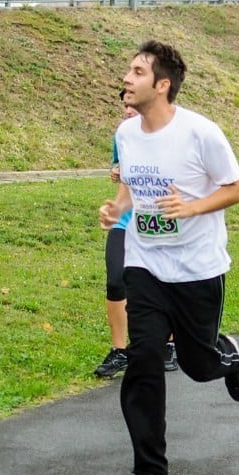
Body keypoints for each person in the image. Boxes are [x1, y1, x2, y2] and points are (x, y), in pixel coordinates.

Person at [98, 40, 239, 475]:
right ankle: (150, 470)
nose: (127, 77)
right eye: (129, 70)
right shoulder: (126, 134)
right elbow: (130, 187)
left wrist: (192, 207)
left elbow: (238, 189)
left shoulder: (201, 133)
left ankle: (226, 360)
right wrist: (116, 208)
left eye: (138, 72)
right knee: (143, 357)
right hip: (145, 263)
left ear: (162, 85)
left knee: (196, 363)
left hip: (198, 267)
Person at [95, 96, 178, 378]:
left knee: (162, 280)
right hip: (126, 221)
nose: (128, 111)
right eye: (125, 107)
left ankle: (169, 344)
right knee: (115, 279)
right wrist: (116, 173)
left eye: (133, 106)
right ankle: (120, 351)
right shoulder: (122, 136)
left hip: (159, 219)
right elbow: (119, 168)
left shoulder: (170, 135)